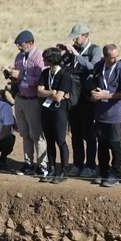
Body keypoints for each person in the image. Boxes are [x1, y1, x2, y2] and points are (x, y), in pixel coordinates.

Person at [59, 24, 102, 177]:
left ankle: (90, 165)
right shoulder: (72, 51)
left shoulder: (94, 50)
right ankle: (78, 163)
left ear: (85, 36)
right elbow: (60, 64)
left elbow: (93, 68)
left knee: (88, 131)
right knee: (75, 131)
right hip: (73, 94)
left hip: (86, 95)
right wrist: (62, 52)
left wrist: (76, 54)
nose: (74, 40)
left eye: (76, 37)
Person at [3, 31, 47, 176]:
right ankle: (28, 163)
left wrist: (22, 76)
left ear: (30, 43)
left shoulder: (40, 57)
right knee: (25, 133)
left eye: (21, 45)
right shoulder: (19, 57)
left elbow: (41, 79)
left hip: (33, 100)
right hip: (20, 99)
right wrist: (10, 74)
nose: (19, 48)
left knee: (36, 134)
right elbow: (17, 79)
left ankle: (42, 165)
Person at [91, 44, 121, 187]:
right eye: (112, 57)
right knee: (102, 145)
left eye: (117, 56)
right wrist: (95, 95)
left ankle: (115, 174)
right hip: (100, 114)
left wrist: (105, 95)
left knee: (115, 145)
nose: (116, 60)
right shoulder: (99, 67)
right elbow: (94, 85)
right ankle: (103, 172)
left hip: (115, 115)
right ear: (105, 57)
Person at [37, 48, 73, 184]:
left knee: (60, 141)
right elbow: (39, 92)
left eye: (45, 58)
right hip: (46, 110)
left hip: (59, 111)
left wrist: (50, 93)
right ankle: (51, 169)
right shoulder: (45, 72)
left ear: (52, 59)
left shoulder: (65, 74)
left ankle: (64, 170)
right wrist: (52, 91)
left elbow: (58, 98)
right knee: (49, 141)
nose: (43, 61)